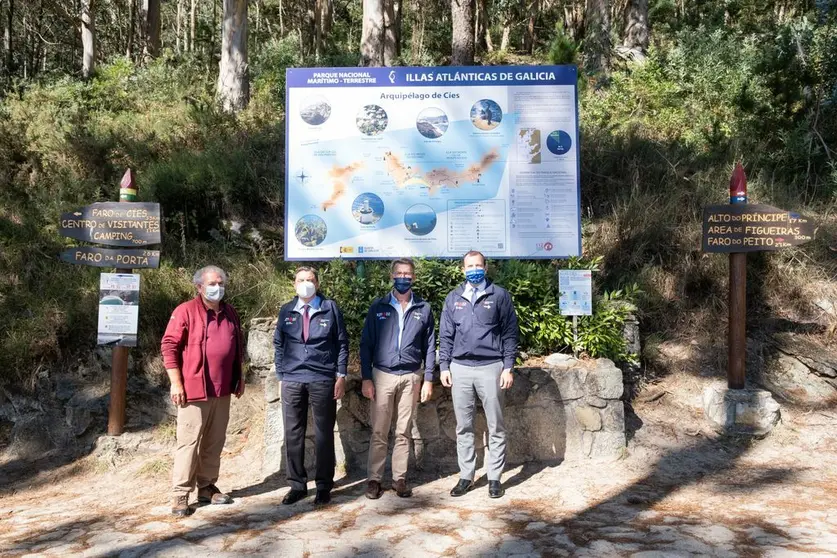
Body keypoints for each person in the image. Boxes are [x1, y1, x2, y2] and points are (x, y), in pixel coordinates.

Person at [161, 265, 245, 517]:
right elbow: (168, 347)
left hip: (222, 390)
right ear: (199, 287)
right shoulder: (184, 311)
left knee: (215, 441)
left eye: (220, 283)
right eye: (211, 283)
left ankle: (207, 487)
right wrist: (176, 382)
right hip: (193, 390)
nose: (217, 288)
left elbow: (236, 348)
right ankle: (179, 494)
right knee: (189, 442)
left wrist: (238, 379)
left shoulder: (230, 312)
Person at [439, 251, 518, 499]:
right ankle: (466, 476)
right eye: (469, 265)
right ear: (462, 270)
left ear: (485, 267)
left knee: (496, 425)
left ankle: (494, 477)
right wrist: (444, 366)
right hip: (460, 369)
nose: (474, 269)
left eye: (478, 265)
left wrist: (508, 366)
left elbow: (510, 333)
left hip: (491, 367)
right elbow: (446, 335)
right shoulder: (453, 298)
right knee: (464, 426)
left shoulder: (500, 296)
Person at [360, 258, 435, 499]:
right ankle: (374, 480)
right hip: (383, 375)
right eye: (399, 273)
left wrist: (429, 378)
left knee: (404, 430)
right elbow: (366, 345)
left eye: (408, 274)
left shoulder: (423, 308)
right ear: (392, 276)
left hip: (411, 376)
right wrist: (366, 378)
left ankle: (399, 479)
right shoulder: (378, 307)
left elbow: (430, 346)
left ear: (413, 278)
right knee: (379, 431)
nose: (403, 277)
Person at [273, 267, 348, 505]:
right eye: (301, 280)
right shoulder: (287, 310)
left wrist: (341, 375)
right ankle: (297, 485)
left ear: (317, 283)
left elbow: (342, 343)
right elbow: (278, 344)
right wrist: (282, 375)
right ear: (294, 284)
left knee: (324, 432)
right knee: (293, 432)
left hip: (322, 377)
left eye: (310, 280)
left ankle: (324, 485)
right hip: (293, 378)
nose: (305, 283)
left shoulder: (330, 308)